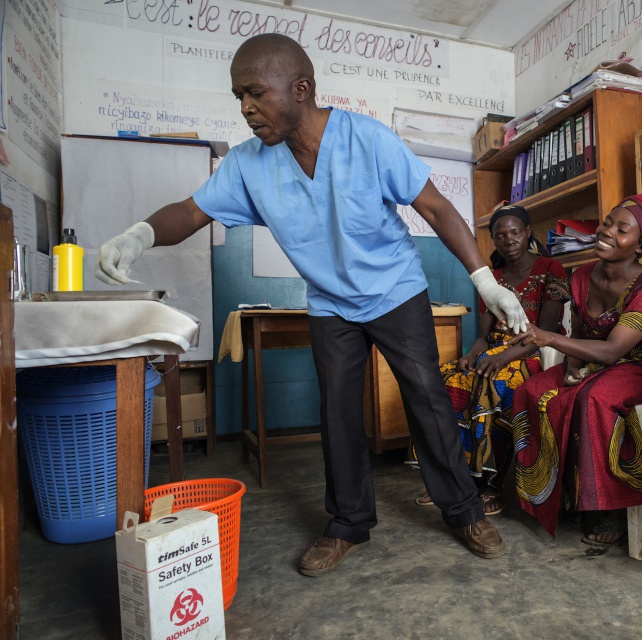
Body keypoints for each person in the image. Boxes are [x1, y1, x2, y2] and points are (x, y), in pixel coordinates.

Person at [94, 33, 528, 574]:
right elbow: (190, 211)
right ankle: (348, 524)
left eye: (255, 93)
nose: (247, 109)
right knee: (338, 413)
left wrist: (485, 281)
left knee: (428, 401)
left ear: (300, 89)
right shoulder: (250, 165)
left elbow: (437, 208)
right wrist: (138, 235)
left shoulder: (367, 140)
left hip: (396, 289)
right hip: (331, 304)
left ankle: (464, 512)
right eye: (238, 97)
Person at [509, 194, 642, 544]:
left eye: (621, 229)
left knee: (593, 399)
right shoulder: (582, 275)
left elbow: (615, 350)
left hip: (640, 368)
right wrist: (572, 366)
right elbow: (582, 334)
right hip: (594, 363)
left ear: (640, 245)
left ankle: (606, 510)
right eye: (607, 222)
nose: (606, 231)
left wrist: (547, 338)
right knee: (532, 390)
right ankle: (557, 494)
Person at [411, 205, 569, 516]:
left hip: (534, 351)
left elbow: (547, 330)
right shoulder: (492, 278)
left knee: (492, 383)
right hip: (494, 351)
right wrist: (471, 355)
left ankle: (490, 483)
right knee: (447, 378)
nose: (508, 239)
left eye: (515, 232)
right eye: (500, 235)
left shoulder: (551, 268)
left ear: (527, 233)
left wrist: (505, 356)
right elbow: (483, 336)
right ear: (493, 241)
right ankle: (453, 479)